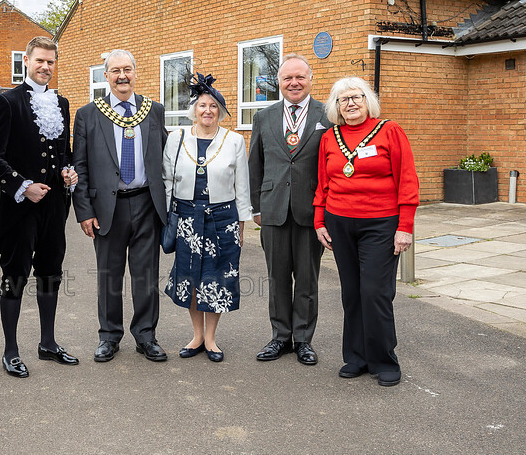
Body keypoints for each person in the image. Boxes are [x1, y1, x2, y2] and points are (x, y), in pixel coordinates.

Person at [314, 76, 418, 387]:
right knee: (352, 293)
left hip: (381, 224)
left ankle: (384, 360)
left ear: (367, 100)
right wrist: (319, 221)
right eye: (344, 100)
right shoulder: (329, 138)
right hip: (339, 223)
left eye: (356, 97)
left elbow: (408, 178)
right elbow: (323, 184)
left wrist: (405, 226)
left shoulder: (389, 130)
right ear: (336, 107)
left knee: (376, 292)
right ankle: (356, 357)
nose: (351, 104)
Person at [0, 36, 79, 378]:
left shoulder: (62, 102)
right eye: (39, 60)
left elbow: (63, 151)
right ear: (26, 61)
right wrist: (22, 185)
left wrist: (69, 171)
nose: (45, 67)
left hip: (54, 205)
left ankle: (48, 343)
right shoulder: (6, 102)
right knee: (15, 275)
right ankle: (10, 350)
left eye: (51, 62)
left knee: (51, 272)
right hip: (20, 205)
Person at [72, 49, 169, 363]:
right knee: (109, 276)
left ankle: (145, 335)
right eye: (115, 71)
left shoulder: (154, 111)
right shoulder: (88, 114)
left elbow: (166, 158)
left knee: (146, 275)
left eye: (127, 69)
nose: (122, 76)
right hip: (106, 208)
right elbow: (80, 167)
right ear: (106, 75)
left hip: (146, 203)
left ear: (135, 72)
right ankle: (109, 337)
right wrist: (84, 211)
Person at [248, 53, 331, 366]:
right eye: (287, 78)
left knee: (307, 279)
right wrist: (255, 205)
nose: (294, 83)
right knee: (277, 278)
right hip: (272, 209)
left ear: (310, 80)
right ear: (278, 83)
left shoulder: (328, 114)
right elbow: (254, 164)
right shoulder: (264, 117)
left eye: (300, 77)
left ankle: (304, 340)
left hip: (312, 210)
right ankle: (280, 337)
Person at [162, 74, 250, 363]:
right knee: (190, 278)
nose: (208, 111)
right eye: (202, 105)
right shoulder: (176, 138)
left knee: (217, 279)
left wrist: (241, 223)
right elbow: (166, 179)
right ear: (194, 110)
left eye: (214, 106)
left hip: (223, 219)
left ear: (220, 111)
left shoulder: (234, 140)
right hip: (187, 217)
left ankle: (211, 339)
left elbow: (242, 185)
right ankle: (197, 335)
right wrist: (167, 216)